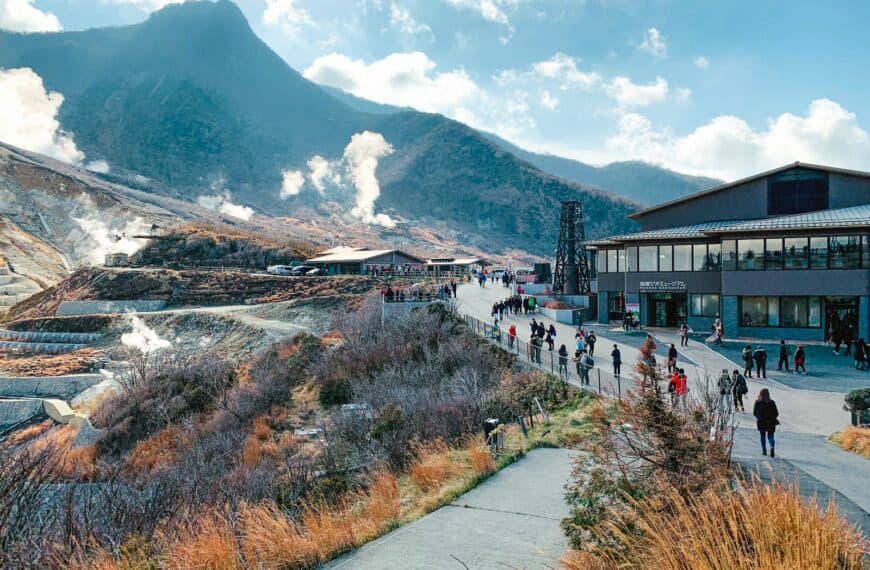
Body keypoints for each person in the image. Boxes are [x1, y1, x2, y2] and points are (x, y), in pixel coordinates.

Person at [753, 388, 779, 457]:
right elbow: (776, 413)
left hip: (761, 422)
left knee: (762, 436)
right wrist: (771, 418)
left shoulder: (758, 402)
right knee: (771, 436)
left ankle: (764, 451)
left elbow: (754, 412)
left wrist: (759, 418)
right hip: (771, 422)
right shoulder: (772, 402)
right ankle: (772, 447)